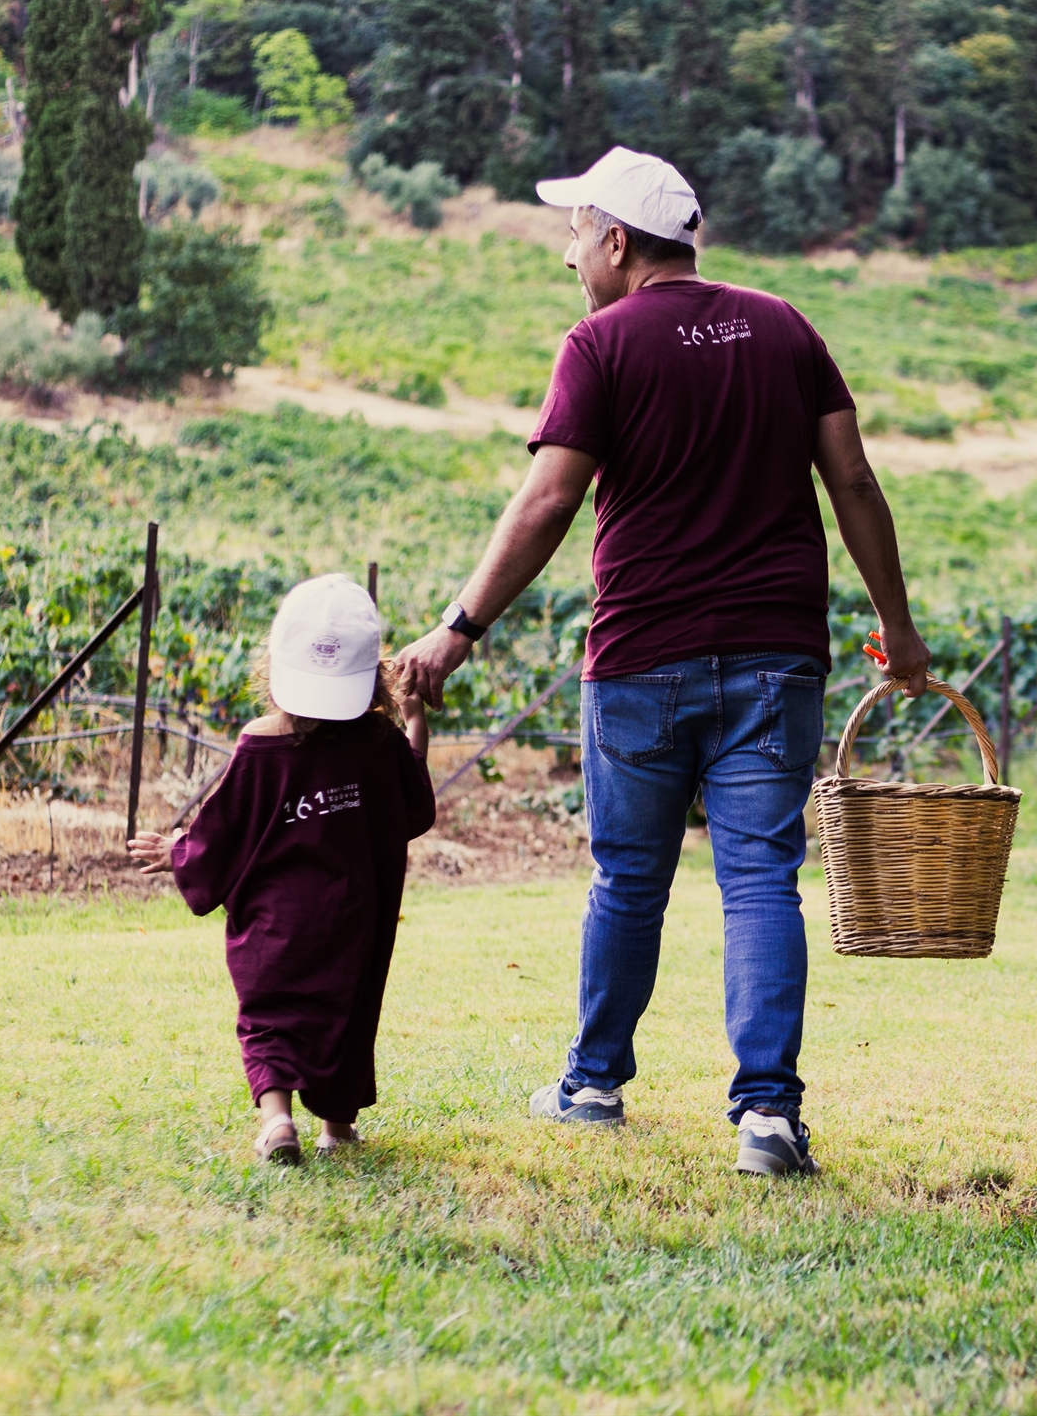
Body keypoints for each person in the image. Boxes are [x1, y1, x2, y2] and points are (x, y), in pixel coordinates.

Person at [396, 146, 930, 1178]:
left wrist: (456, 627)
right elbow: (852, 480)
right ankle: (767, 1117)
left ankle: (593, 1084)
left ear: (614, 240)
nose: (566, 256)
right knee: (759, 879)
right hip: (777, 659)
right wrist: (896, 628)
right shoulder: (785, 327)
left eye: (572, 232)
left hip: (642, 658)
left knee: (628, 880)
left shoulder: (597, 345)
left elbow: (548, 501)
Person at [129, 575, 435, 1163]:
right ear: (371, 676)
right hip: (356, 919)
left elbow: (222, 834)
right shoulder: (377, 741)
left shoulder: (259, 745)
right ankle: (336, 1130)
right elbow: (412, 810)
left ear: (274, 668)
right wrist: (415, 724)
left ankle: (276, 1123)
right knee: (346, 1013)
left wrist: (176, 851)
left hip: (275, 924)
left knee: (269, 1017)